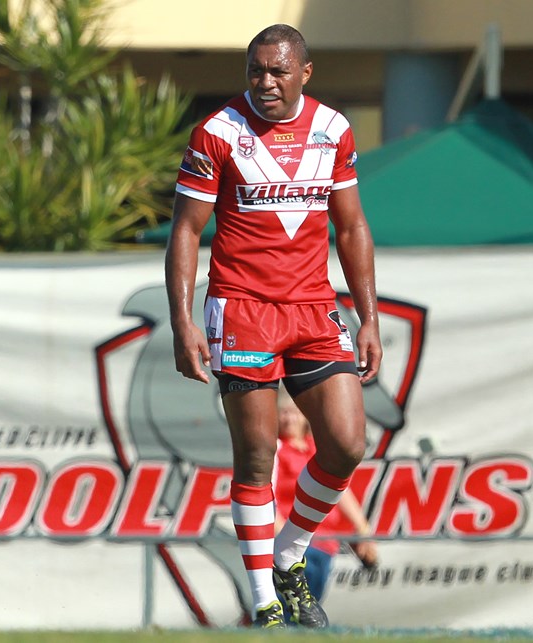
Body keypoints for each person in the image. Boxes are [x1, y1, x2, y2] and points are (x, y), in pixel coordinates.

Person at [165, 23, 381, 629]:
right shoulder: (216, 133)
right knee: (256, 457)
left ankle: (288, 555)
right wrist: (184, 323)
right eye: (255, 70)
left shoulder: (334, 129)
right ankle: (264, 599)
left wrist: (368, 317)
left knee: (345, 443)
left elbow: (352, 228)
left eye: (278, 71)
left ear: (304, 73)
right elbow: (185, 230)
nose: (265, 81)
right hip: (243, 307)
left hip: (314, 308)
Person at [274, 390, 378, 604]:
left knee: (310, 608)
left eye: (294, 412)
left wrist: (362, 529)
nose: (289, 418)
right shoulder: (275, 449)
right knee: (288, 608)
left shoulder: (317, 448)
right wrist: (282, 538)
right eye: (283, 413)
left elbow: (340, 490)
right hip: (292, 542)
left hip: (324, 543)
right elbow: (265, 496)